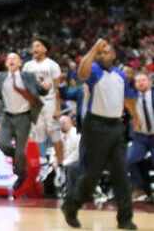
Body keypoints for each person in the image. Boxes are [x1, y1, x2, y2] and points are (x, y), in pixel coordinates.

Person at [62, 39, 136, 230]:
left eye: (106, 52)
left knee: (121, 174)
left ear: (113, 55)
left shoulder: (120, 74)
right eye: (100, 53)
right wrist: (94, 48)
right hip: (96, 126)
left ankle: (125, 219)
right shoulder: (94, 70)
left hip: (116, 127)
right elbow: (81, 73)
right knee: (91, 174)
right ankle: (71, 205)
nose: (103, 55)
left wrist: (136, 117)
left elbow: (128, 99)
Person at [0, 53, 49, 190]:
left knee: (20, 153)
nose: (11, 60)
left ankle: (21, 174)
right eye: (8, 58)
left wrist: (46, 87)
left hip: (24, 117)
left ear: (20, 63)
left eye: (14, 58)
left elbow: (41, 91)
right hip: (7, 117)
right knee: (2, 145)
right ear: (6, 63)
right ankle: (20, 161)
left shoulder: (28, 77)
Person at [22, 36, 65, 170]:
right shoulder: (27, 66)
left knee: (54, 132)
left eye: (38, 46)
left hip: (49, 101)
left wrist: (58, 108)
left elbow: (58, 89)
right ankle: (35, 164)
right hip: (34, 103)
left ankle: (61, 163)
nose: (34, 48)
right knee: (35, 135)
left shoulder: (53, 65)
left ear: (45, 49)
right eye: (33, 46)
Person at [126, 71, 154, 202]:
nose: (141, 83)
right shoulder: (132, 97)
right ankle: (140, 189)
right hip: (140, 136)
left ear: (150, 82)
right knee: (130, 159)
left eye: (143, 80)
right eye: (138, 81)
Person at [58, 115, 80, 197]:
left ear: (70, 123)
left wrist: (64, 162)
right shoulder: (59, 135)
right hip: (61, 161)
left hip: (73, 161)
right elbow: (55, 150)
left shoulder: (77, 134)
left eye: (64, 123)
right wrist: (54, 160)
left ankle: (70, 194)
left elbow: (77, 152)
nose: (62, 125)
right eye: (60, 123)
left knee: (71, 168)